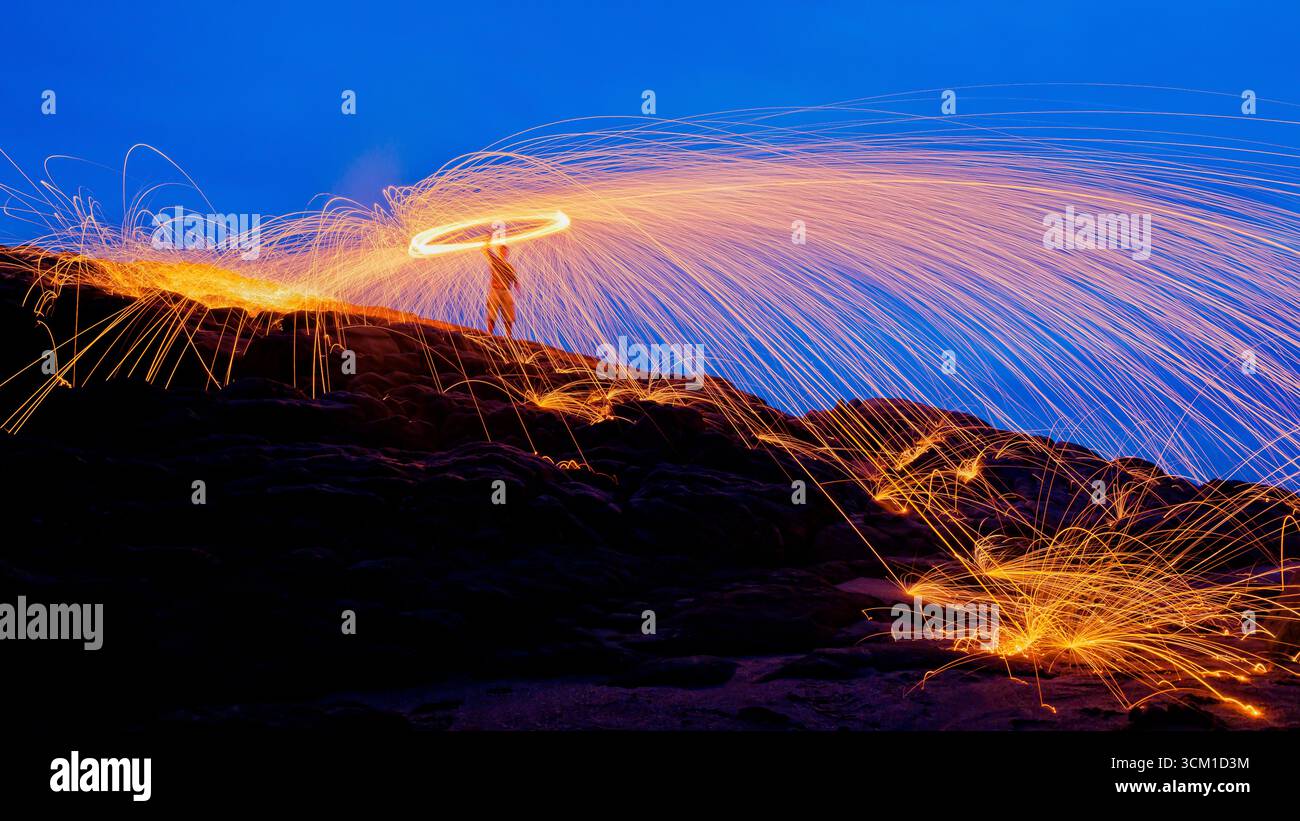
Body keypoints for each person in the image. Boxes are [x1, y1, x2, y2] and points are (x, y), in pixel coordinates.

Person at [482, 237, 518, 337]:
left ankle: (508, 336)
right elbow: (485, 249)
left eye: (505, 251)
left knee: (509, 314)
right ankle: (489, 334)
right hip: (495, 290)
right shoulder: (495, 260)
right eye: (502, 251)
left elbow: (515, 279)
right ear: (499, 252)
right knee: (492, 313)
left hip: (506, 291)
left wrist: (517, 286)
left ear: (507, 253)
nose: (504, 253)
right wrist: (489, 239)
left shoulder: (510, 267)